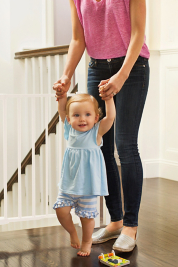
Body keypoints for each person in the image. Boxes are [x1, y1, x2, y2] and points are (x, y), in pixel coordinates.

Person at [53, 0, 150, 252]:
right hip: (96, 66)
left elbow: (138, 32)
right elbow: (78, 39)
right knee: (101, 147)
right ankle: (115, 221)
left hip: (132, 65)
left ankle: (130, 225)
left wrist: (122, 75)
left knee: (125, 145)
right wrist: (67, 75)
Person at [53, 93, 115, 257]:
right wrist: (62, 95)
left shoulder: (96, 133)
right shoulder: (70, 131)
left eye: (87, 115)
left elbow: (110, 117)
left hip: (87, 187)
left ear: (95, 118)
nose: (82, 119)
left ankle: (87, 241)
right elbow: (61, 109)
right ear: (69, 118)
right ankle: (73, 232)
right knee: (61, 210)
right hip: (69, 184)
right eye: (76, 115)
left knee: (86, 218)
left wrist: (109, 99)